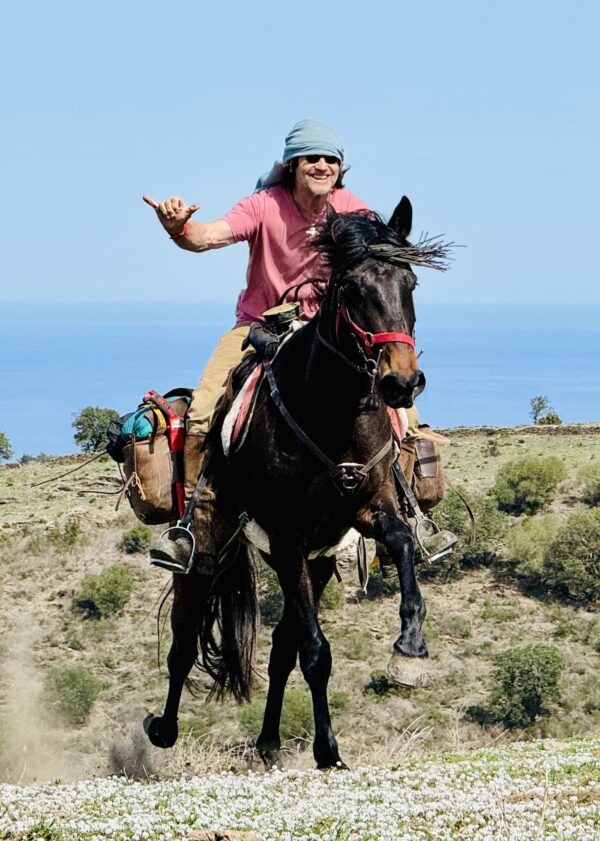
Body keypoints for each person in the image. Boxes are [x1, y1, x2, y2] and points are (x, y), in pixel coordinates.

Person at [143, 119, 447, 571]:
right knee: (204, 410)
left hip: (329, 332)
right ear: (292, 165)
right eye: (311, 158)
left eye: (331, 159)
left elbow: (378, 266)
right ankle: (195, 532)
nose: (322, 165)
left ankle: (406, 518)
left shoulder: (353, 211)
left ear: (340, 168)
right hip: (258, 325)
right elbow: (208, 237)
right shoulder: (264, 205)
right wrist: (178, 227)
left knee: (405, 414)